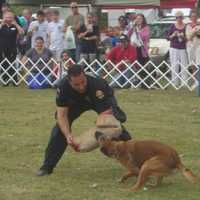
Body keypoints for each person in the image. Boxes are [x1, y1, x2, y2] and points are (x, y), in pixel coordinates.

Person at [37, 64, 131, 176]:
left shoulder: (97, 84)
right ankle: (47, 167)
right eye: (77, 84)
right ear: (69, 81)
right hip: (76, 103)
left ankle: (135, 156)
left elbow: (106, 114)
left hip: (97, 99)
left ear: (85, 76)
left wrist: (91, 137)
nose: (81, 87)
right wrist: (68, 135)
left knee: (112, 125)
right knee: (59, 129)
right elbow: (62, 115)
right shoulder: (63, 87)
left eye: (83, 82)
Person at [0, 10, 24, 86]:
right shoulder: (1, 25)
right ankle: (5, 80)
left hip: (12, 48)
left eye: (10, 17)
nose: (8, 18)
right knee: (4, 64)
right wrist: (1, 24)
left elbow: (22, 33)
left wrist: (16, 24)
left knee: (12, 64)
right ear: (3, 17)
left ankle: (14, 80)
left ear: (13, 18)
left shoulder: (15, 26)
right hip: (2, 48)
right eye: (7, 17)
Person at [129, 14, 152, 89]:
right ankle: (137, 82)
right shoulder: (133, 27)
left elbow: (144, 36)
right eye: (137, 18)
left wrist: (137, 31)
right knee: (136, 66)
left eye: (140, 19)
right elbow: (128, 34)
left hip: (142, 49)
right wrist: (133, 27)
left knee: (143, 66)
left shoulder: (146, 28)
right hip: (134, 49)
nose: (138, 20)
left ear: (143, 20)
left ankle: (145, 83)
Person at [167, 11, 188, 87]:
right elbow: (167, 38)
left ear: (182, 18)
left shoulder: (186, 26)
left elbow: (188, 38)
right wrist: (173, 35)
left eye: (180, 17)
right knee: (174, 65)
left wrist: (183, 37)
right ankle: (175, 82)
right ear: (176, 18)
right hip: (174, 47)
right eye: (178, 17)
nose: (179, 18)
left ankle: (184, 83)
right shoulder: (172, 26)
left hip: (183, 48)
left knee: (184, 65)